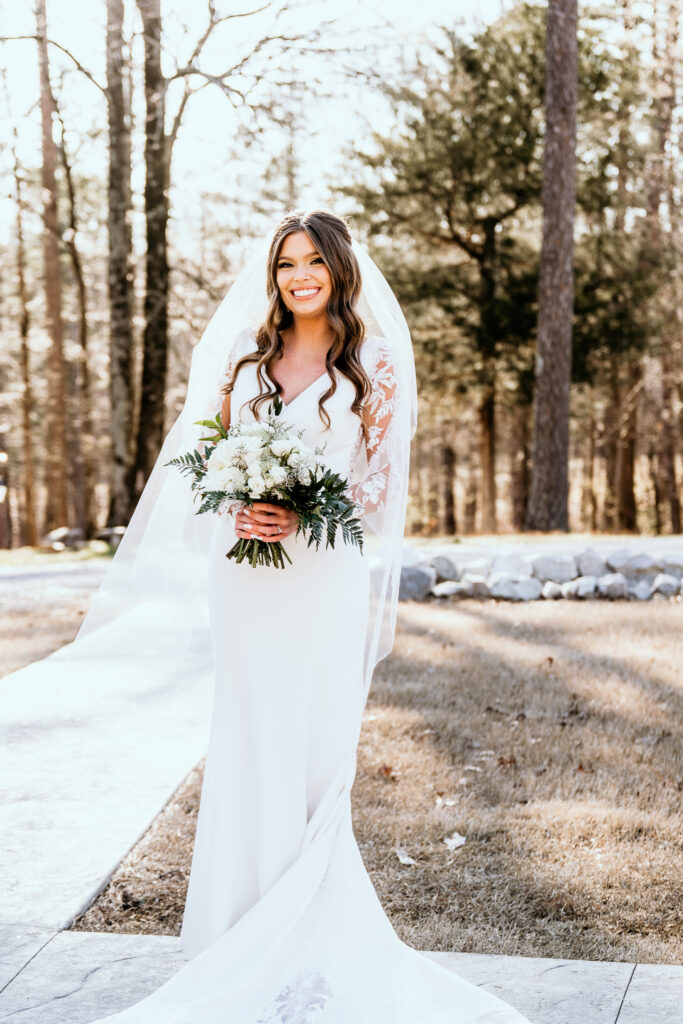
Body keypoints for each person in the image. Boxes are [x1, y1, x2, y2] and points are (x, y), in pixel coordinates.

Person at [82, 208, 532, 1022]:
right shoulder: (241, 358)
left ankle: (311, 932)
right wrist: (239, 508)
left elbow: (378, 492)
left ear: (337, 269)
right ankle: (233, 936)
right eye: (287, 263)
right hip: (243, 578)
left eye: (313, 262)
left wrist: (300, 513)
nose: (299, 276)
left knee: (314, 751)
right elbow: (203, 460)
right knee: (250, 739)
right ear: (275, 273)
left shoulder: (375, 365)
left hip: (323, 578)